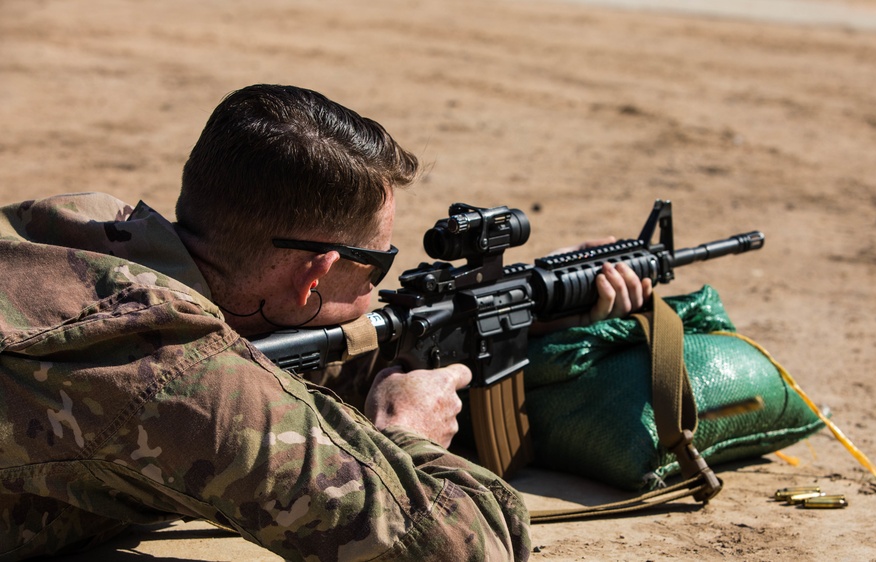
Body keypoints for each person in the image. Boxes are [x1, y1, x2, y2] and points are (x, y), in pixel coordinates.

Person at [0, 84, 652, 560]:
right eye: (378, 267)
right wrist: (407, 436)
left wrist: (531, 312)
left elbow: (282, 350)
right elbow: (458, 550)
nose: (380, 288)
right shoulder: (183, 382)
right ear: (316, 272)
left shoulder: (79, 227)